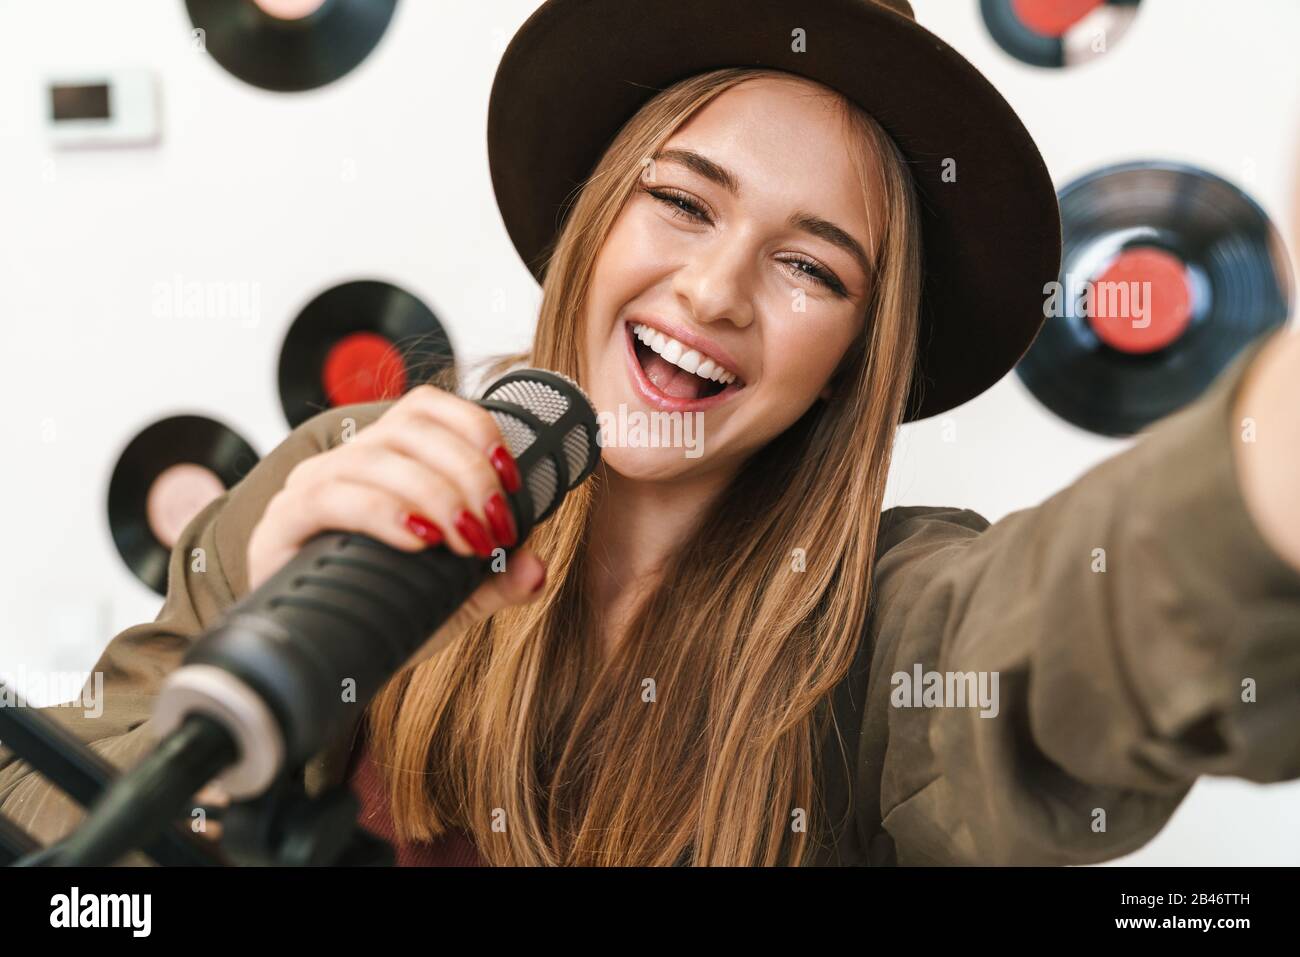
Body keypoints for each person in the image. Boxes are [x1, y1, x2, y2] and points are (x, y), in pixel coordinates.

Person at [3, 0, 1299, 867]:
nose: (715, 291)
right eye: (683, 200)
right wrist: (251, 662)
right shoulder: (348, 474)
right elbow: (68, 838)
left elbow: (1071, 635)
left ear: (855, 354)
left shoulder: (886, 625)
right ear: (595, 214)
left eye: (814, 268)